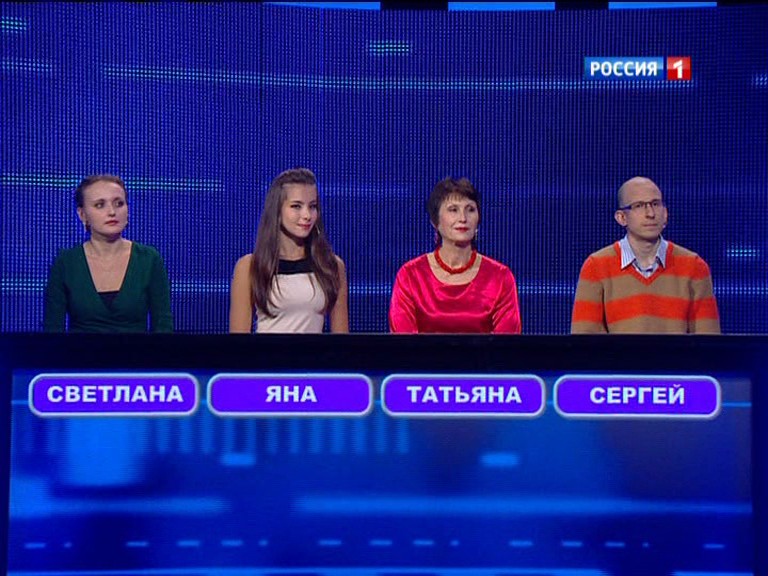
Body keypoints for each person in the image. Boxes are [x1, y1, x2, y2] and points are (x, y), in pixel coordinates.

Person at [571, 176, 720, 334]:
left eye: (655, 204)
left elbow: (708, 341)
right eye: (639, 206)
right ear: (621, 217)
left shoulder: (694, 267)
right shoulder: (596, 267)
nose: (650, 213)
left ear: (665, 213)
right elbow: (585, 341)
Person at [389, 177, 521, 334]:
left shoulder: (500, 277)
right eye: (453, 210)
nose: (463, 218)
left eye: (470, 209)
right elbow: (402, 343)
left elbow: (508, 344)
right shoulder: (410, 276)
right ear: (435, 221)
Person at [43, 174, 173, 332]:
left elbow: (163, 325)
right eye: (100, 205)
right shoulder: (66, 263)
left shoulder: (149, 259)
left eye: (119, 203)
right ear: (82, 214)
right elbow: (52, 330)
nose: (112, 212)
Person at [229, 168, 348, 333]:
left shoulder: (331, 265)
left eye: (312, 206)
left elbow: (342, 340)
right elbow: (238, 341)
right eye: (296, 206)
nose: (307, 215)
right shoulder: (249, 266)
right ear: (277, 211)